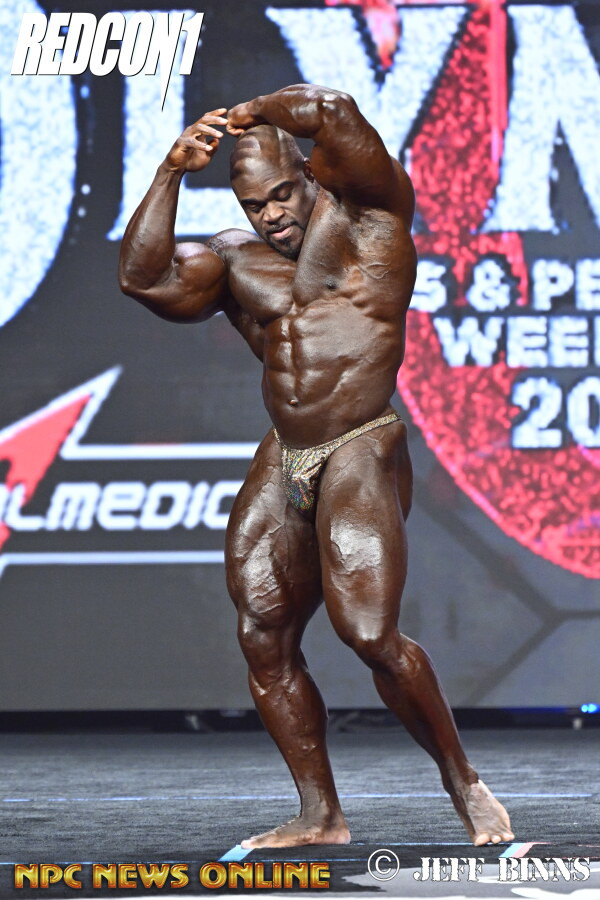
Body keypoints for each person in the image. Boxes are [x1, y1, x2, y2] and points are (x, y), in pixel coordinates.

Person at [119, 84, 514, 850]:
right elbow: (144, 280)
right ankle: (320, 815)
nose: (270, 215)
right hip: (286, 447)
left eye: (279, 195)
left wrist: (254, 111)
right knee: (262, 631)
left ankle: (464, 783)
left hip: (361, 438)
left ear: (309, 175)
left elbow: (334, 110)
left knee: (368, 632)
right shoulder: (237, 259)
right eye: (253, 204)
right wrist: (170, 171)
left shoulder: (371, 219)